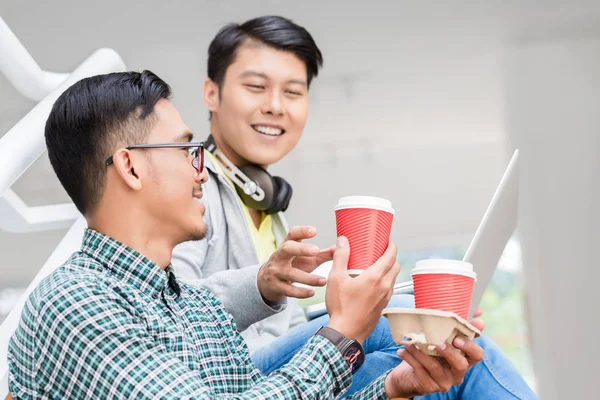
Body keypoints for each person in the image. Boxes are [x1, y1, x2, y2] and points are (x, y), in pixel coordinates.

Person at [7, 70, 483, 399]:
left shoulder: (197, 310)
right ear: (130, 165)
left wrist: (396, 388)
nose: (202, 172)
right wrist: (342, 333)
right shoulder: (73, 303)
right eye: (186, 151)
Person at [171, 15, 538, 399]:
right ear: (211, 93)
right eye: (256, 87)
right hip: (234, 379)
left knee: (436, 358)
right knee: (392, 318)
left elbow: (288, 327)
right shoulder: (192, 188)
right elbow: (170, 307)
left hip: (292, 371)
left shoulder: (267, 206)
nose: (275, 106)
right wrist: (263, 285)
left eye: (293, 92)